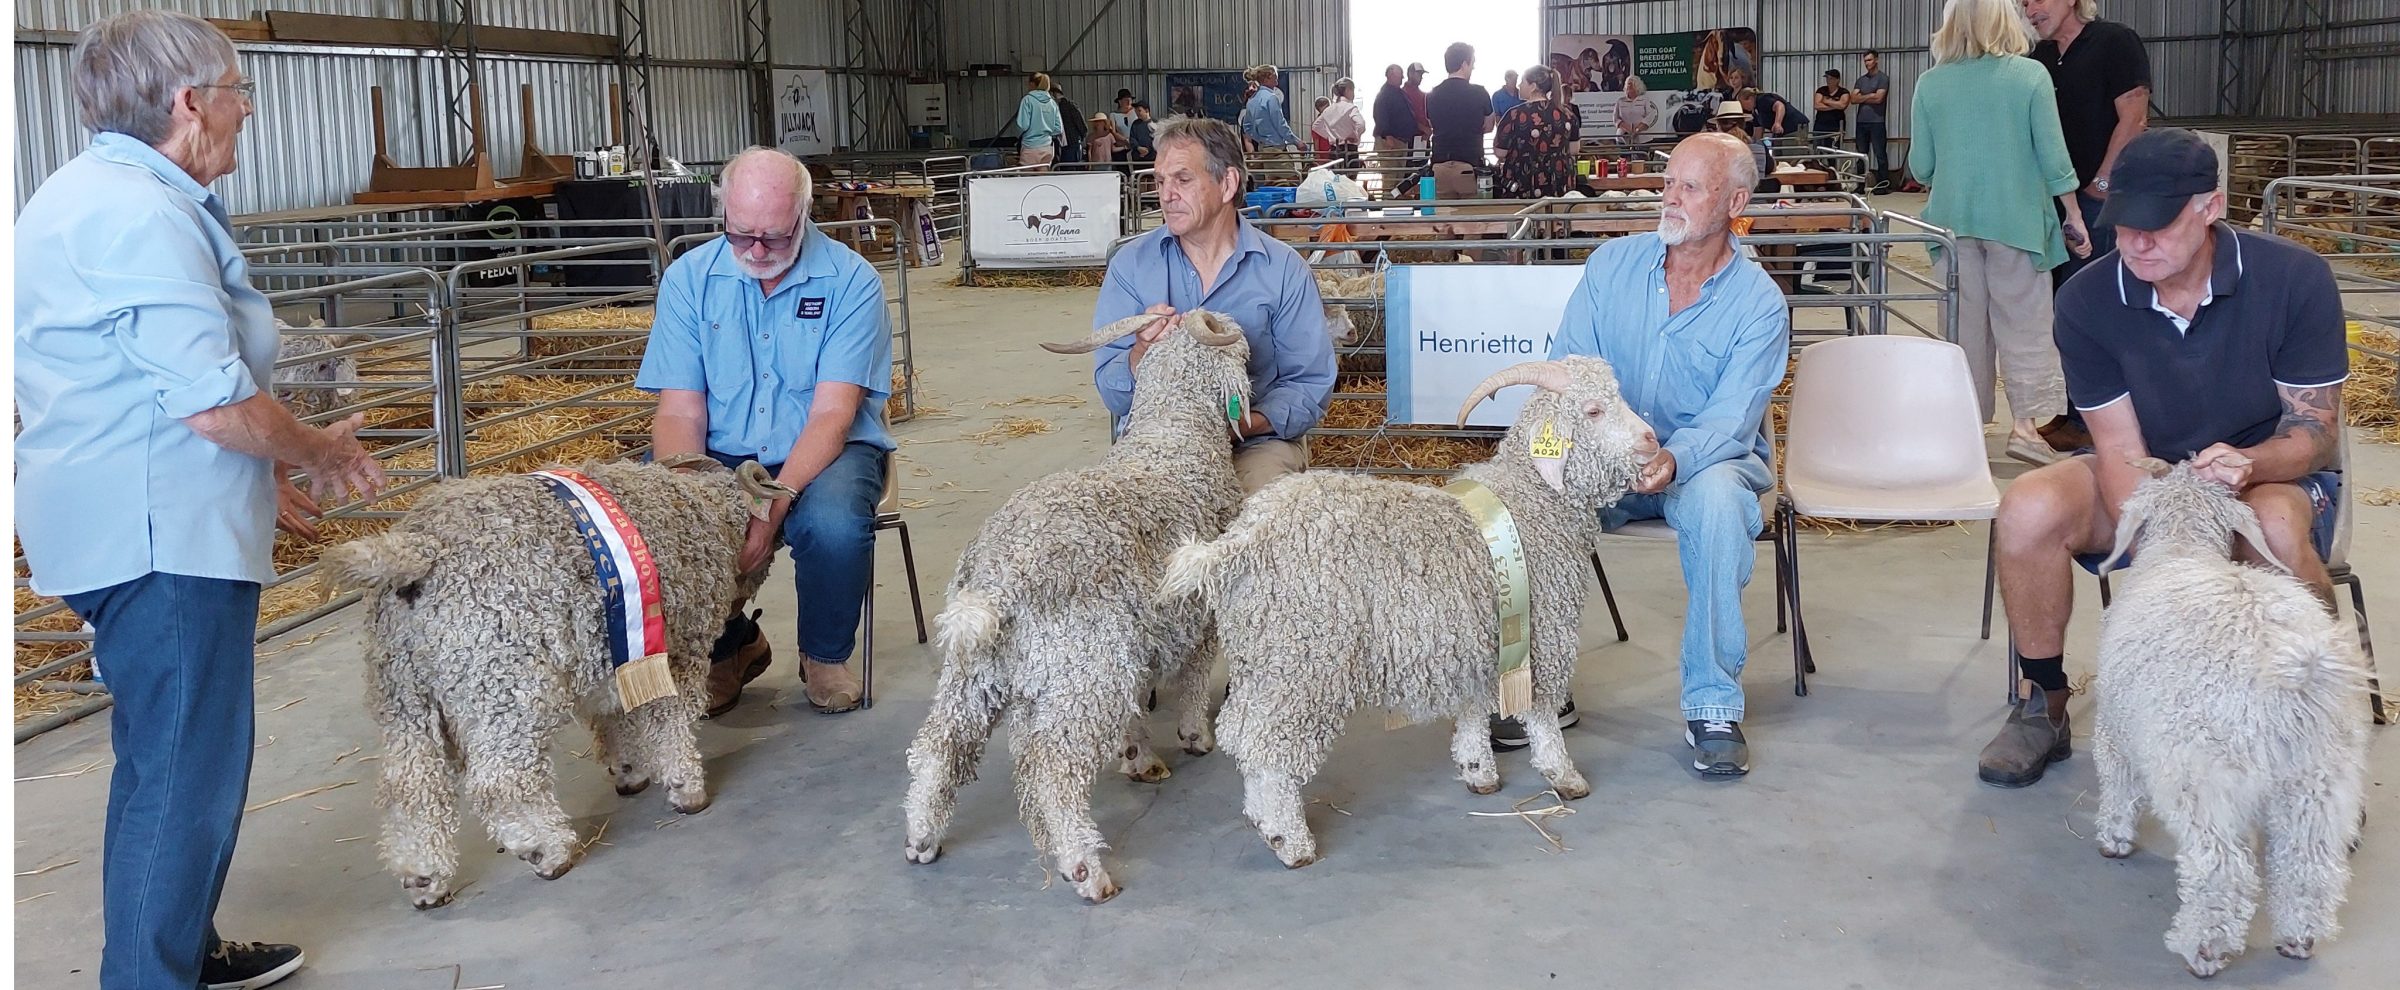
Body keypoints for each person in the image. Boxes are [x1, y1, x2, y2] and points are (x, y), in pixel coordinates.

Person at [14, 11, 393, 988]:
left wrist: (257, 467)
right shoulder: (134, 211)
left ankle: (178, 947)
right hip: (156, 540)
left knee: (166, 757)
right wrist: (310, 450)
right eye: (239, 92)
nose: (247, 111)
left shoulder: (105, 191)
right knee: (185, 774)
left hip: (145, 513)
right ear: (191, 104)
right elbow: (215, 402)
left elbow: (156, 377)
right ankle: (149, 975)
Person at [1979, 128, 2350, 788]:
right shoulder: (2089, 299)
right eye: (2124, 227)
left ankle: (2314, 738)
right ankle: (2044, 701)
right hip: (2151, 473)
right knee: (2028, 508)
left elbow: (2313, 433)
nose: (2137, 244)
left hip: (2262, 471)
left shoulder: (2293, 278)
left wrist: (2246, 463)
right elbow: (2120, 450)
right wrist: (2175, 556)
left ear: (2212, 206)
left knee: (2273, 529)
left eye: (2158, 226)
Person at [1538, 132, 1790, 777]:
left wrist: (1673, 459)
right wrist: (1559, 460)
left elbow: (1734, 416)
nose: (1668, 196)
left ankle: (1712, 702)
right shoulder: (1610, 266)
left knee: (1713, 505)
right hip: (1604, 456)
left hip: (1705, 459)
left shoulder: (1759, 302)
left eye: (1689, 186)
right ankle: (1538, 689)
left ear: (1734, 201)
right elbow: (1569, 371)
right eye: (1668, 180)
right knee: (1531, 503)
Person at [639, 147, 896, 717]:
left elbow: (833, 413)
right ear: (723, 215)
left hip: (824, 447)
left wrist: (768, 509)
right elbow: (681, 410)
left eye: (775, 238)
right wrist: (692, 501)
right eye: (741, 234)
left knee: (832, 525)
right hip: (719, 449)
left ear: (805, 214)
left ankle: (824, 654)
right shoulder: (689, 279)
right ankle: (728, 645)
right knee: (649, 524)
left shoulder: (851, 281)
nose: (756, 251)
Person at [1089, 117, 1336, 494]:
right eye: (1159, 180)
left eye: (1182, 179)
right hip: (1156, 442)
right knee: (1117, 524)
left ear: (1227, 183)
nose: (1166, 194)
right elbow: (1112, 391)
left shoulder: (1283, 269)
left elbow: (1308, 384)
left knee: (1260, 514)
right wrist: (1141, 353)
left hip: (1254, 442)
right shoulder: (1132, 264)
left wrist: (1242, 424)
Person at [1909, 0, 2092, 465]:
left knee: (1964, 328)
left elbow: (1920, 166)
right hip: (2018, 223)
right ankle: (2026, 429)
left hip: (1952, 225)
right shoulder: (2029, 77)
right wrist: (2073, 212)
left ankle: (1966, 429)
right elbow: (2054, 157)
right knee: (2025, 325)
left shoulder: (1930, 84)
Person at [2027, 0, 2155, 453]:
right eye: (2023, 2)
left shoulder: (2113, 41)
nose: (2029, 8)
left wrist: (2101, 182)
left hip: (2100, 201)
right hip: (2057, 202)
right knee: (2066, 308)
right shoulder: (2039, 59)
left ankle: (2100, 420)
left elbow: (2134, 117)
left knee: (2096, 304)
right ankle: (2077, 411)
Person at [1494, 65, 1580, 199]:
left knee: (1525, 219)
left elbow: (1500, 151)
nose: (1519, 86)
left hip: (1524, 182)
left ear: (1533, 86)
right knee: (1557, 218)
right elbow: (1575, 149)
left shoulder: (1514, 114)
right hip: (1559, 182)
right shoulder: (1568, 114)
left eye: (1522, 82)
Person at [1427, 42, 1495, 199]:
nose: (1473, 67)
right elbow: (1489, 125)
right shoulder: (1480, 92)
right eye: (1473, 63)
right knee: (1472, 219)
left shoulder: (1432, 94)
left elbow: (1432, 124)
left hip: (1439, 165)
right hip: (1469, 165)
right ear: (1464, 64)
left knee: (1443, 220)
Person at [1239, 64, 1301, 166]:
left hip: (1263, 148)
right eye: (1275, 77)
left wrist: (1260, 138)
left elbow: (1247, 127)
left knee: (1271, 179)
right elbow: (1280, 124)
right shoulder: (1271, 98)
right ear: (1266, 78)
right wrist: (1296, 141)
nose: (1277, 81)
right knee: (1292, 178)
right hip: (1277, 149)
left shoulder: (1251, 100)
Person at [1709, 101, 1775, 191]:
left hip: (1727, 203)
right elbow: (1770, 168)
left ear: (1718, 126)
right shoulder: (1759, 146)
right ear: (1744, 124)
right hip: (1758, 201)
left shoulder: (1713, 150)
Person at [1854, 50, 1893, 191]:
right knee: (1861, 154)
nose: (1867, 63)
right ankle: (1860, 185)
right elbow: (1853, 99)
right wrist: (1871, 94)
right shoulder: (1861, 80)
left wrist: (1863, 96)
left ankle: (1883, 185)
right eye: (1865, 61)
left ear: (1876, 60)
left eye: (1869, 60)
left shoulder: (1883, 78)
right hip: (1861, 122)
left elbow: (1879, 98)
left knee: (1880, 154)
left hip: (1877, 121)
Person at [1311, 77, 1367, 168]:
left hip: (1334, 149)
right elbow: (1361, 124)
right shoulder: (1350, 108)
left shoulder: (1328, 110)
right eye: (1353, 90)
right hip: (1350, 149)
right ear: (1348, 90)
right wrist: (1355, 136)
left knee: (1336, 178)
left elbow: (1316, 126)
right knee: (1350, 178)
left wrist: (1330, 136)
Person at [1015, 73, 1063, 167]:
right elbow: (1058, 128)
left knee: (1027, 178)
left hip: (1030, 145)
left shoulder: (1027, 100)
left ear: (1033, 84)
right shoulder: (1052, 103)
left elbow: (1023, 125)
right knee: (1043, 175)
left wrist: (1019, 136)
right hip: (1047, 146)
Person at [1737, 87, 1803, 142]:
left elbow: (1779, 105)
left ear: (1750, 98)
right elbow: (1757, 134)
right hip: (1779, 134)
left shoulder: (1762, 99)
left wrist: (1777, 123)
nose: (1743, 107)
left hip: (1794, 128)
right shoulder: (1755, 112)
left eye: (1742, 104)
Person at [1811, 69, 1850, 150]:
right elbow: (1817, 105)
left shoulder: (1843, 92)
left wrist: (1826, 101)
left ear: (1837, 80)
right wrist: (1835, 105)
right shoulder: (1821, 90)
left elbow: (1842, 105)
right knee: (1817, 150)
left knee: (1833, 150)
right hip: (1820, 125)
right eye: (1827, 78)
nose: (1828, 81)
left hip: (1836, 126)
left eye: (1831, 78)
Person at [1052, 85, 1089, 164]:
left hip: (1068, 143)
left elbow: (1082, 127)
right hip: (1072, 142)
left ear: (1053, 94)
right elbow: (1082, 127)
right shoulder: (1070, 106)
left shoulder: (1066, 106)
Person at [1615, 76, 1658, 143]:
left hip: (1642, 138)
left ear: (1637, 87)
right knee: (1624, 153)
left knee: (1641, 153)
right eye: (1627, 84)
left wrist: (1638, 129)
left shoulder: (1644, 100)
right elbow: (1615, 118)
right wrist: (1626, 128)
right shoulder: (1620, 101)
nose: (1629, 86)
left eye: (1631, 84)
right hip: (1623, 138)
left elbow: (1650, 115)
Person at [1405, 62, 1434, 146]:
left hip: (1424, 139)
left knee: (1423, 158)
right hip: (1409, 138)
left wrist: (1429, 130)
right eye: (1418, 74)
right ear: (1410, 74)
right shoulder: (1403, 94)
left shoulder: (1423, 95)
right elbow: (1406, 117)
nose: (1421, 77)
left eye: (1421, 74)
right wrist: (1424, 129)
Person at [1308, 96, 1333, 161]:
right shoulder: (1317, 124)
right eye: (1326, 107)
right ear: (1320, 108)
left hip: (1332, 151)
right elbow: (1316, 142)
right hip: (1323, 154)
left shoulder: (1332, 120)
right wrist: (1318, 157)